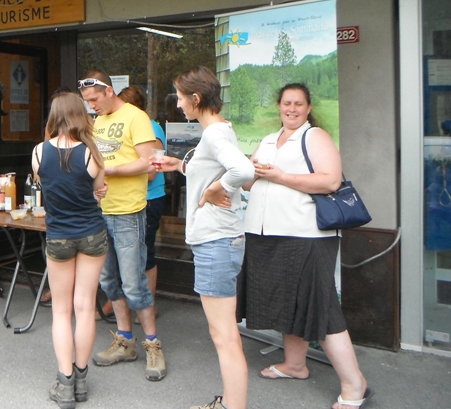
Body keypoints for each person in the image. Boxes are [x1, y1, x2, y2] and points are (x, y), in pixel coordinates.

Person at [238, 83, 372, 409]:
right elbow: (247, 182)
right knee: (288, 301)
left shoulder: (315, 137)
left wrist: (281, 176)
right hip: (266, 233)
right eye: (287, 103)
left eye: (299, 104)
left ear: (309, 107)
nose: (292, 109)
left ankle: (355, 384)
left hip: (307, 234)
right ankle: (295, 365)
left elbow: (330, 181)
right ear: (279, 106)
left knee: (321, 306)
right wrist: (250, 172)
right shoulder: (269, 139)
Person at [155, 66, 254, 409]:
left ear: (196, 99)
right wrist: (179, 166)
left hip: (217, 242)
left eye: (181, 98)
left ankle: (231, 406)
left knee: (224, 336)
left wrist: (216, 188)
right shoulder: (219, 130)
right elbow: (217, 167)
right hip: (220, 240)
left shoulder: (214, 134)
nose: (179, 105)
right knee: (224, 334)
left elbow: (244, 170)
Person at [78, 70, 166, 382]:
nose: (91, 107)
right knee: (109, 281)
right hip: (100, 210)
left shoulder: (136, 117)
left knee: (134, 282)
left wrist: (110, 171)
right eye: (87, 102)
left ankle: (153, 345)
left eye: (94, 100)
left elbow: (149, 163)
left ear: (109, 90)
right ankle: (125, 341)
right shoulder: (97, 122)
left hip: (129, 211)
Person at [32, 92, 107, 409]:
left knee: (61, 311)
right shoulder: (92, 151)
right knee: (85, 307)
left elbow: (44, 186)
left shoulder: (38, 152)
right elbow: (99, 191)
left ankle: (64, 386)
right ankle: (81, 380)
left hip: (59, 236)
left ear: (54, 115)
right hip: (92, 234)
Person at [117, 85, 165, 319]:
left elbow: (152, 172)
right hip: (131, 199)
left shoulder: (152, 128)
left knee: (146, 254)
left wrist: (117, 171)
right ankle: (128, 303)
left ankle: (149, 305)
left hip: (149, 199)